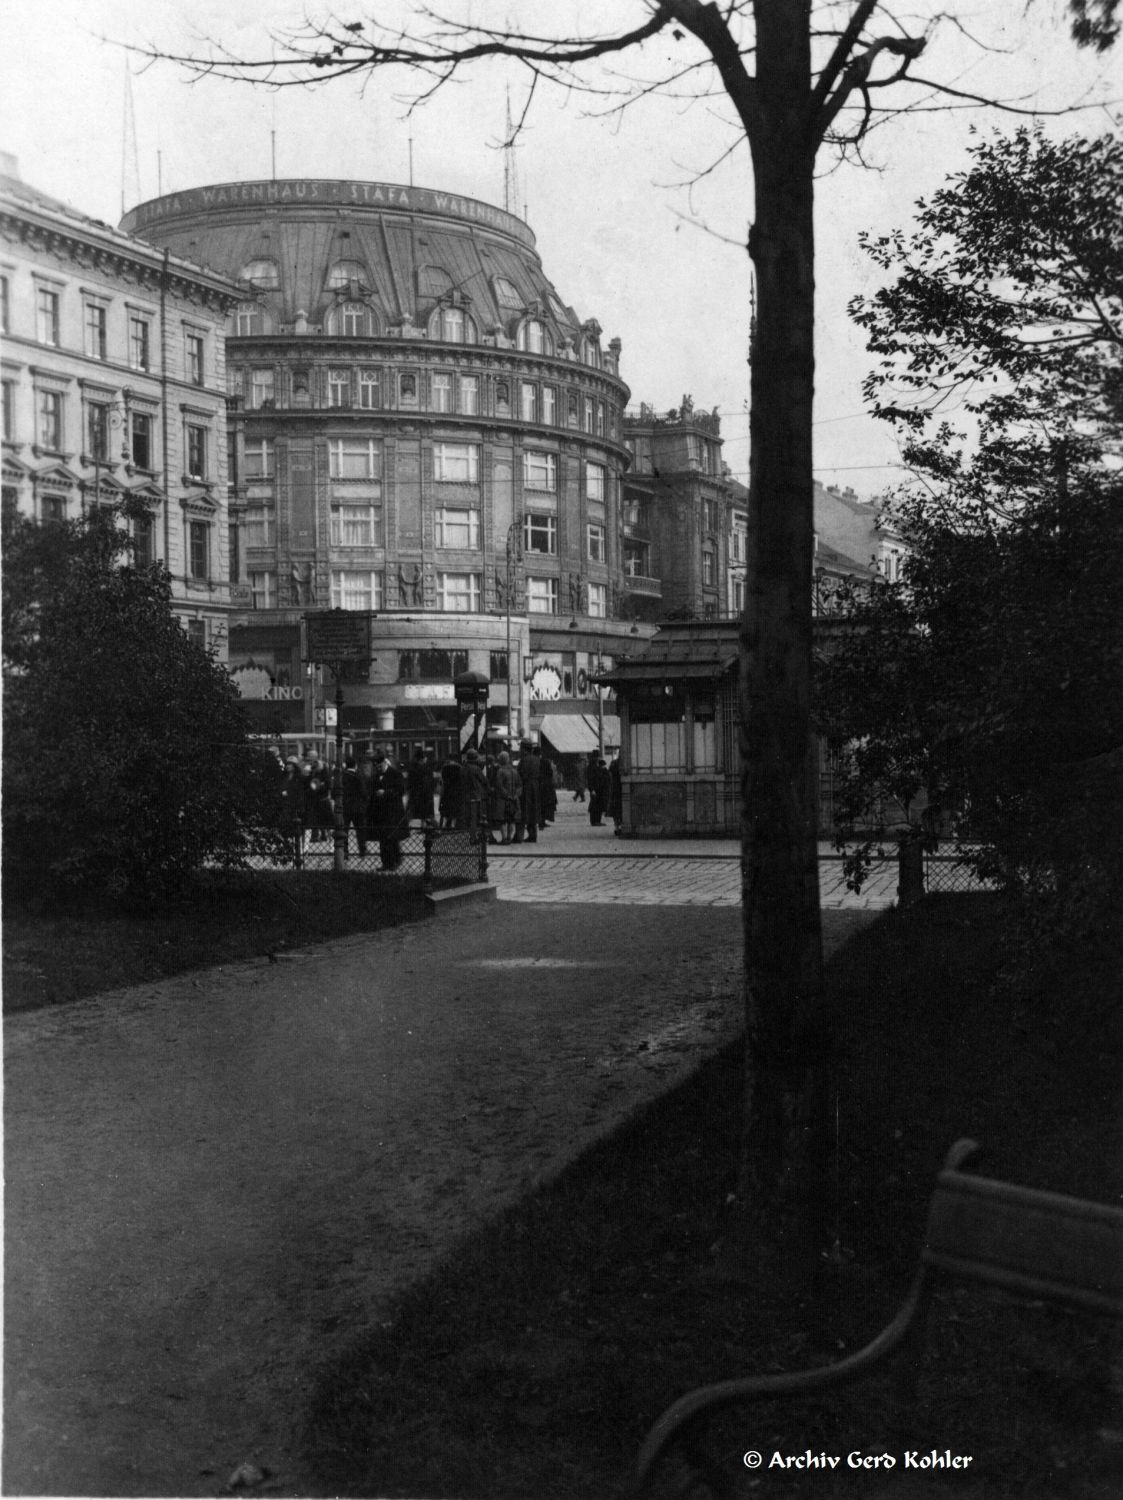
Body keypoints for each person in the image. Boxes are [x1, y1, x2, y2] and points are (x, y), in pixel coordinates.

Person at [369, 746, 407, 871]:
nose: (377, 768)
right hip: (381, 813)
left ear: (385, 762)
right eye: (376, 766)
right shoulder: (376, 776)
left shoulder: (395, 774)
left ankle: (395, 861)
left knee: (392, 838)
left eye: (379, 766)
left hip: (393, 812)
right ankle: (386, 863)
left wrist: (385, 793)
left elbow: (401, 791)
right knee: (383, 839)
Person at [340, 754, 368, 858]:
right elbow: (363, 791)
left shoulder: (342, 776)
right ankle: (362, 850)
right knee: (360, 830)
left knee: (344, 830)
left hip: (345, 807)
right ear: (355, 765)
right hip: (358, 808)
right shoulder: (358, 776)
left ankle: (345, 851)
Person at [493, 750, 520, 844]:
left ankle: (504, 838)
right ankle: (509, 837)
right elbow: (519, 785)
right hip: (514, 799)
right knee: (511, 819)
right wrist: (515, 795)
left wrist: (506, 795)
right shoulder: (514, 771)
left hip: (503, 800)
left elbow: (499, 785)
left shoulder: (500, 771)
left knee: (503, 820)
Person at [462, 749, 489, 837]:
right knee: (475, 818)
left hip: (465, 795)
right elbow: (484, 781)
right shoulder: (476, 769)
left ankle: (470, 835)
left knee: (468, 817)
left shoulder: (463, 768)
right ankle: (473, 837)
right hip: (475, 795)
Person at [518, 739, 541, 843]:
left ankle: (519, 836)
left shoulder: (524, 760)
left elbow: (521, 774)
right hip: (536, 787)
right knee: (534, 811)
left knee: (524, 810)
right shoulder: (537, 759)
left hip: (526, 787)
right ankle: (533, 835)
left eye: (520, 748)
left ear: (524, 749)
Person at [406, 746, 436, 826]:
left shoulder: (412, 768)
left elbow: (409, 783)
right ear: (422, 759)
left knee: (412, 812)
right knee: (426, 813)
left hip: (415, 794)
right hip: (425, 795)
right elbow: (431, 782)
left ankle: (408, 827)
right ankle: (425, 826)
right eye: (425, 757)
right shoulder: (427, 769)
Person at [439, 751, 463, 829]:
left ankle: (445, 825)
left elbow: (442, 781)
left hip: (447, 792)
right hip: (457, 792)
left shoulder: (444, 768)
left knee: (446, 810)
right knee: (455, 810)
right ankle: (453, 825)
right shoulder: (459, 767)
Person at [588, 755, 610, 826]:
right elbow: (591, 781)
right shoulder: (596, 770)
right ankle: (595, 821)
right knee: (596, 807)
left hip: (599, 791)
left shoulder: (600, 770)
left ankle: (596, 821)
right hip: (597, 791)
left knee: (597, 807)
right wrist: (592, 790)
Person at [540, 753, 558, 827]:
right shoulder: (548, 776)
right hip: (548, 789)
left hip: (541, 788)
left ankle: (541, 821)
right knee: (546, 806)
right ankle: (543, 821)